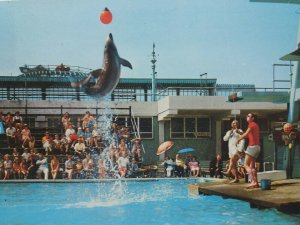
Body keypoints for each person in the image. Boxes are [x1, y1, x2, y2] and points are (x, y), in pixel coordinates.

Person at [237, 112, 261, 189]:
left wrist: (239, 139)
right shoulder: (255, 125)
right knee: (252, 166)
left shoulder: (251, 124)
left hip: (252, 147)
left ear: (252, 118)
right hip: (257, 147)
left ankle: (253, 181)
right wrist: (241, 134)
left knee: (245, 165)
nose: (247, 117)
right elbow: (247, 135)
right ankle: (256, 183)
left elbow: (246, 134)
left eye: (248, 116)